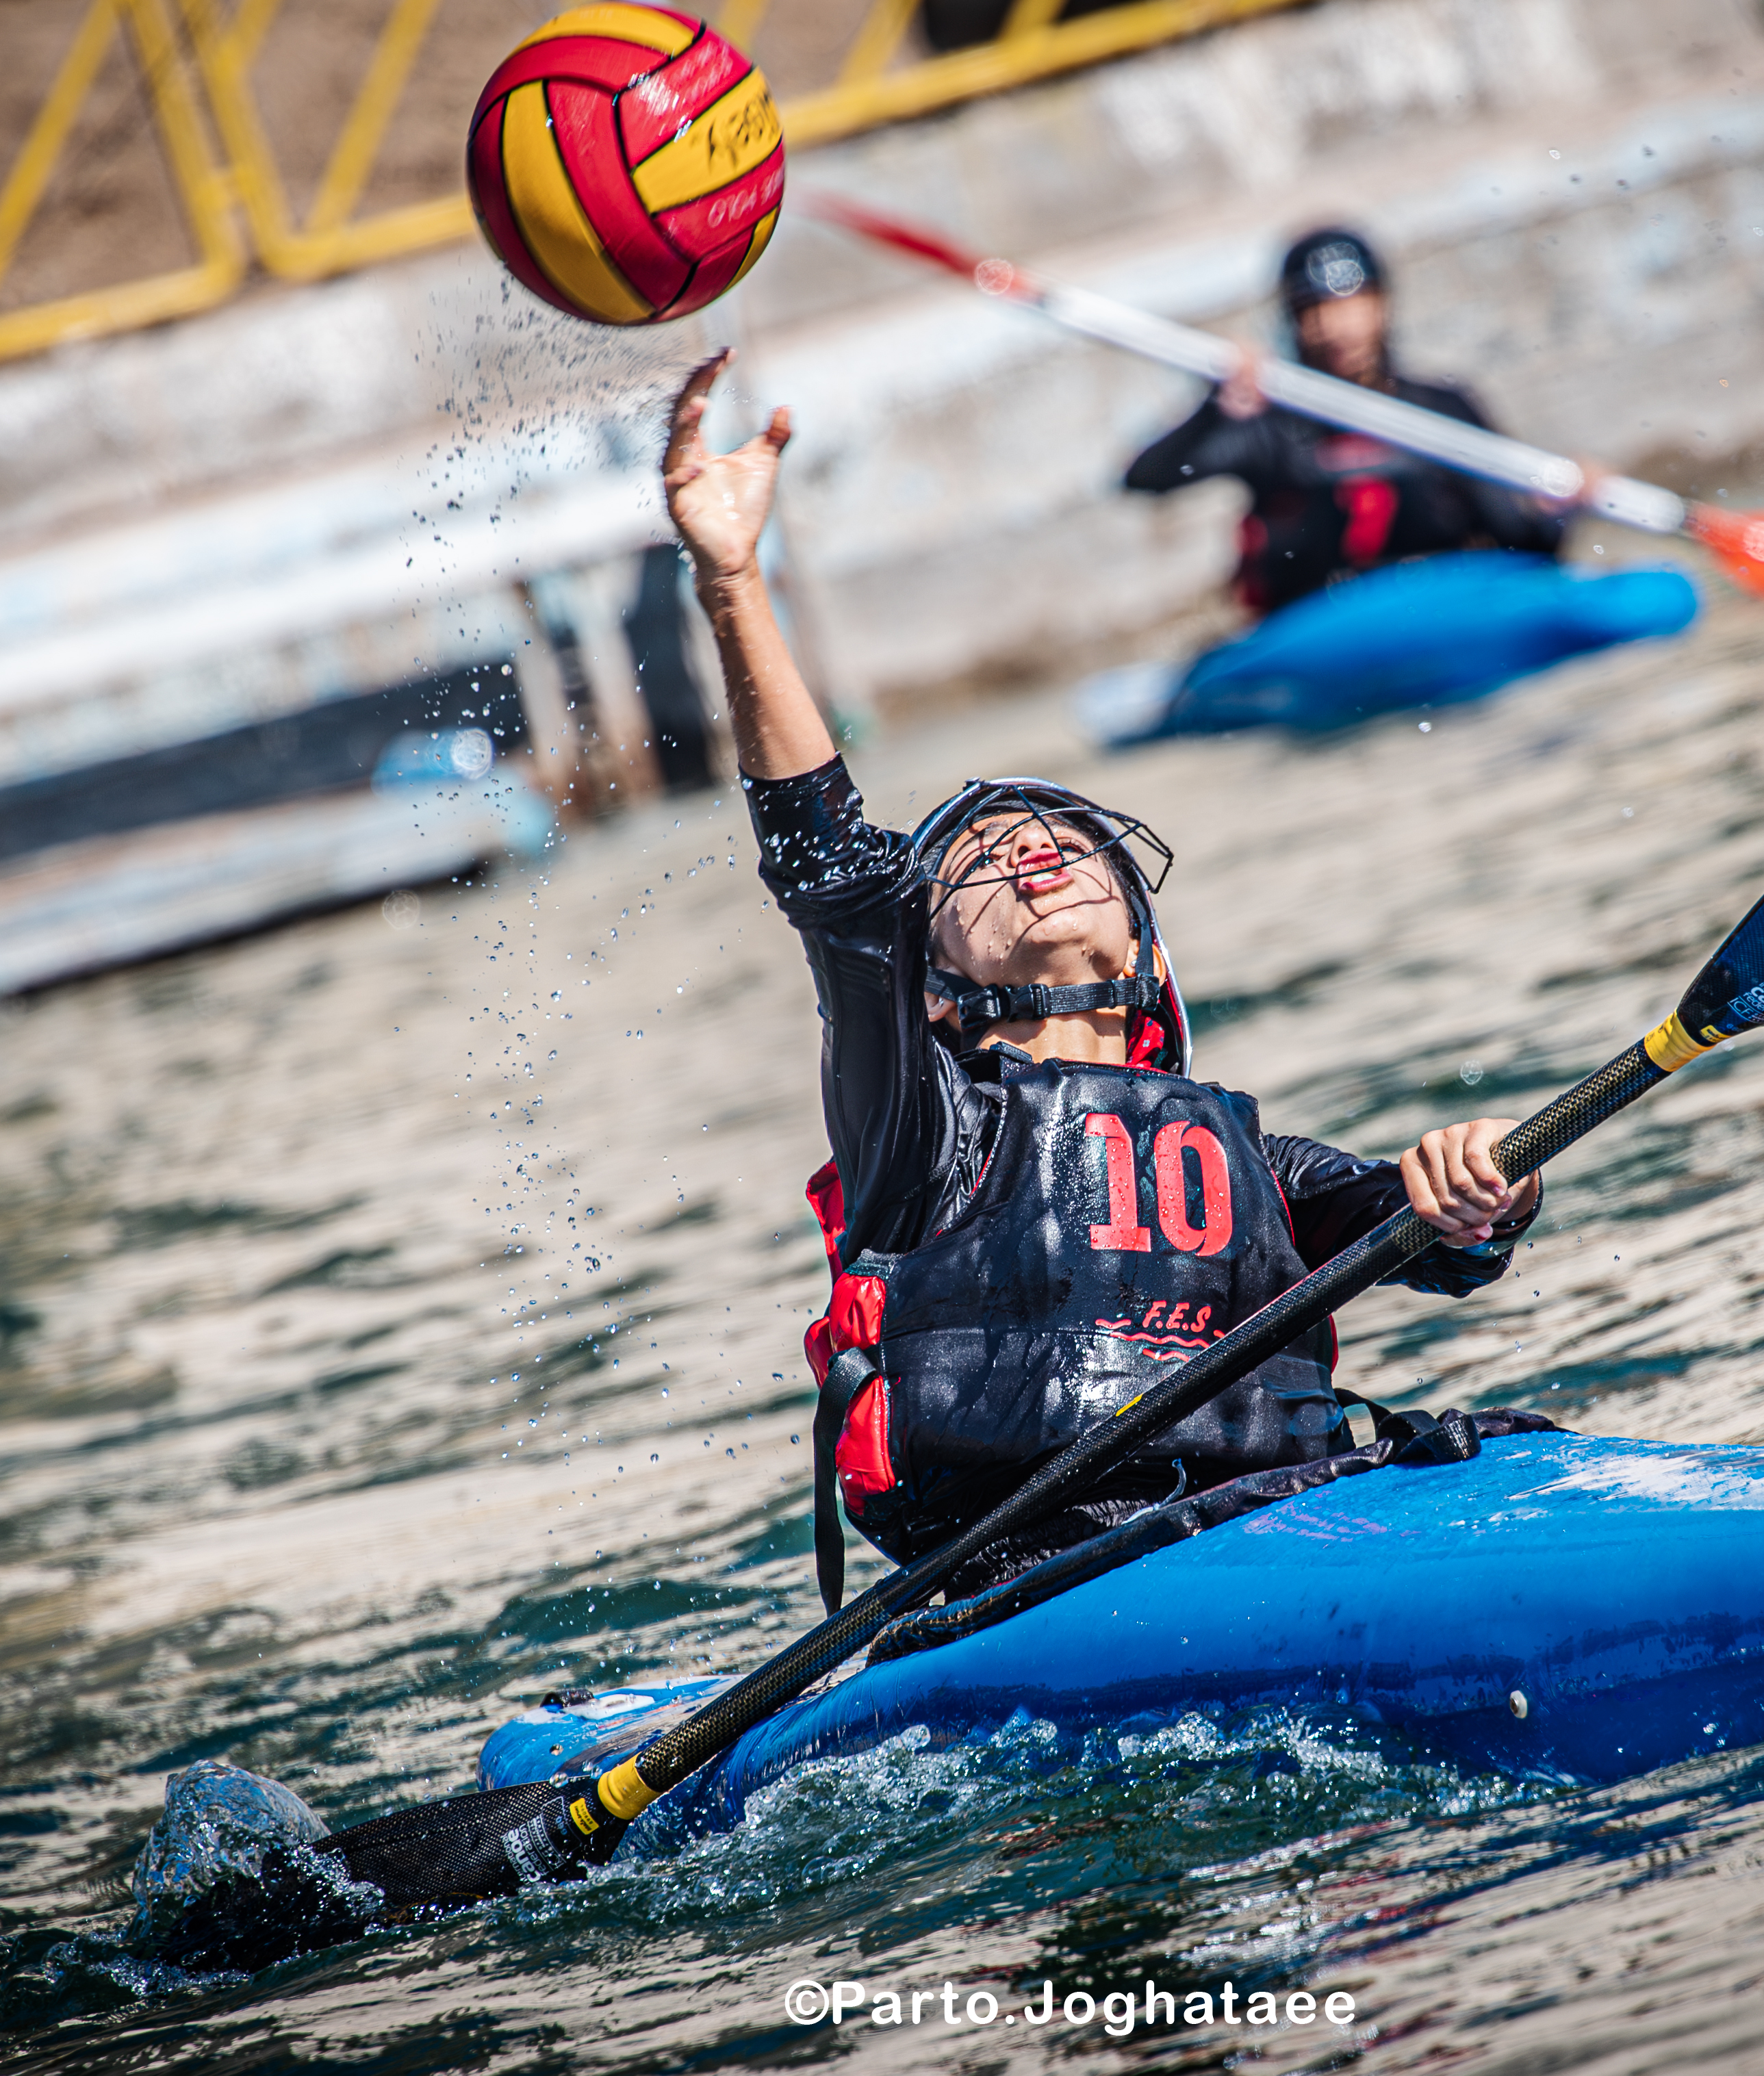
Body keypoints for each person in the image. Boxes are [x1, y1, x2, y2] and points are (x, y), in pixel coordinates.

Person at [661, 354, 1544, 1609]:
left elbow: (1427, 1236)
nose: (1031, 848)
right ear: (930, 989)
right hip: (1027, 1575)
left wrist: (1479, 1188)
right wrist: (733, 580)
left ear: (1139, 948)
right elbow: (832, 879)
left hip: (1284, 1526)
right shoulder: (919, 1132)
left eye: (1067, 843)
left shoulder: (1258, 1165)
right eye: (978, 857)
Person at [1121, 227, 1569, 615]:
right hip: (1316, 624)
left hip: (1447, 604)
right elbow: (1146, 479)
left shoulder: (1441, 409)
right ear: (1294, 323)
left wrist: (1561, 512)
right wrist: (1213, 408)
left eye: (1352, 305)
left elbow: (1523, 541)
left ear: (1382, 306)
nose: (1336, 327)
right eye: (1315, 311)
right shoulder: (1269, 428)